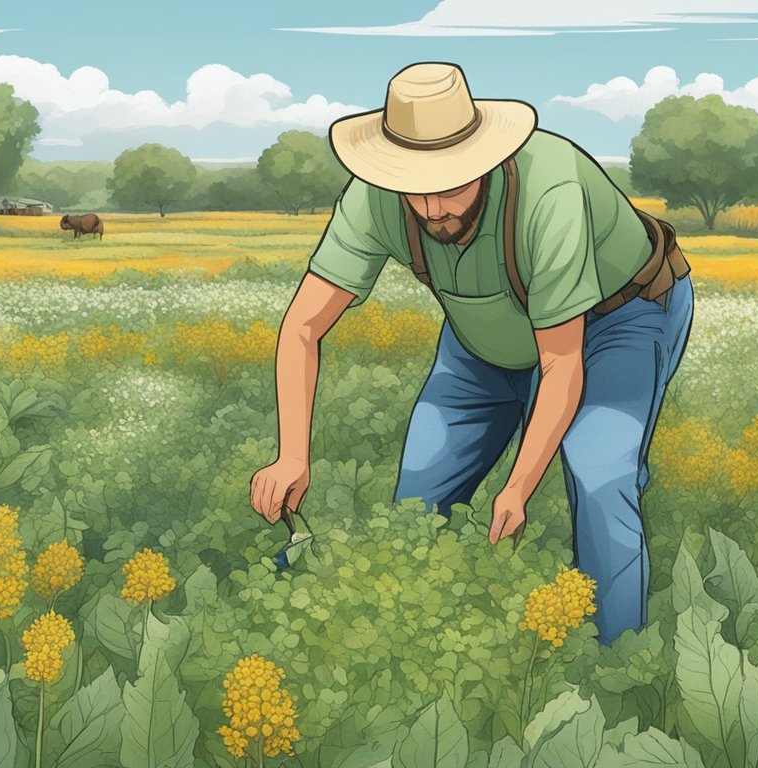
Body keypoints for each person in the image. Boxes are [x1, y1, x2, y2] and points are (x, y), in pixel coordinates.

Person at [249, 61, 694, 645]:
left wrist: (517, 487)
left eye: (451, 184)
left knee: (598, 475)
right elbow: (303, 326)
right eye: (416, 187)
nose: (432, 209)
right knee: (415, 506)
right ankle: (413, 648)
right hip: (481, 339)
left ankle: (617, 665)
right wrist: (291, 456)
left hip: (615, 321)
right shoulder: (375, 198)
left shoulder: (549, 192)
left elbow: (561, 364)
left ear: (487, 161)